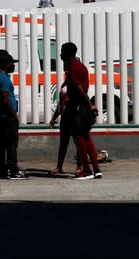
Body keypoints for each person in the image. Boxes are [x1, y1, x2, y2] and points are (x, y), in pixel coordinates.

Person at [59, 42, 103, 180]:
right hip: (84, 107)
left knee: (79, 139)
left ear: (67, 53)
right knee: (87, 137)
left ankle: (86, 170)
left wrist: (90, 104)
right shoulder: (83, 67)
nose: (60, 54)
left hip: (77, 107)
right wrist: (89, 105)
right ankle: (96, 169)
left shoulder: (72, 68)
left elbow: (78, 88)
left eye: (62, 51)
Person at [0, 50, 28, 180]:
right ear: (5, 64)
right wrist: (13, 114)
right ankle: (13, 170)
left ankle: (1, 169)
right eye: (11, 63)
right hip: (6, 117)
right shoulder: (3, 79)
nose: (14, 65)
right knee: (11, 144)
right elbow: (5, 98)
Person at [49, 80, 82, 176]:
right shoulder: (64, 85)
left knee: (78, 144)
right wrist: (54, 118)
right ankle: (59, 167)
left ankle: (79, 167)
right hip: (64, 119)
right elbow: (60, 105)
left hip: (74, 119)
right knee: (63, 144)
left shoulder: (76, 85)